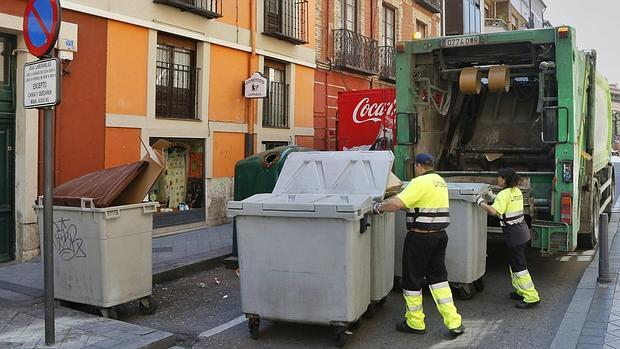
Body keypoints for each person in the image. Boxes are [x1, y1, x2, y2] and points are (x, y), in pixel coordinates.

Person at [372, 153, 464, 336]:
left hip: (420, 238)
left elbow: (396, 204)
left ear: (418, 166)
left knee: (412, 279)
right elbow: (423, 204)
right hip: (439, 236)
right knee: (438, 279)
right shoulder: (439, 181)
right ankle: (454, 322)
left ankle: (415, 323)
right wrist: (406, 206)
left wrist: (378, 207)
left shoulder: (418, 182)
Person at [475, 167, 541, 309]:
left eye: (498, 177)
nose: (497, 179)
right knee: (514, 264)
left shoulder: (504, 194)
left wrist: (480, 202)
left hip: (514, 234)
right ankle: (520, 291)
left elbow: (494, 211)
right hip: (521, 231)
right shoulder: (516, 191)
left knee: (519, 266)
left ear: (504, 179)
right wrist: (492, 197)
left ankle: (531, 296)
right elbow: (506, 204)